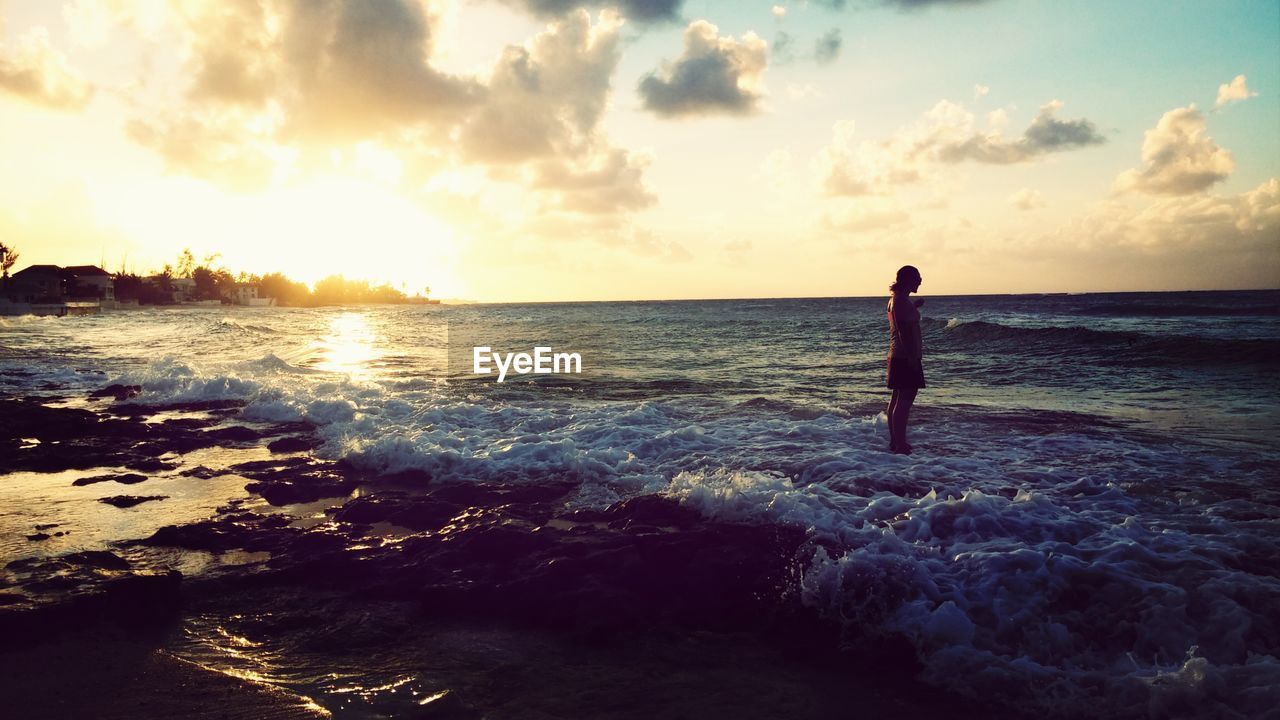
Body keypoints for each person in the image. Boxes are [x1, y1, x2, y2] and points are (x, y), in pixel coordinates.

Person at [885, 265, 925, 454]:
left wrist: (914, 306)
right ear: (908, 279)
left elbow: (903, 318)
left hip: (897, 355)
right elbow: (902, 330)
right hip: (905, 356)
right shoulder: (900, 301)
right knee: (905, 400)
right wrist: (911, 357)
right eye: (917, 277)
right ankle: (900, 444)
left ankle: (896, 441)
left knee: (897, 398)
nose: (920, 280)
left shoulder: (898, 300)